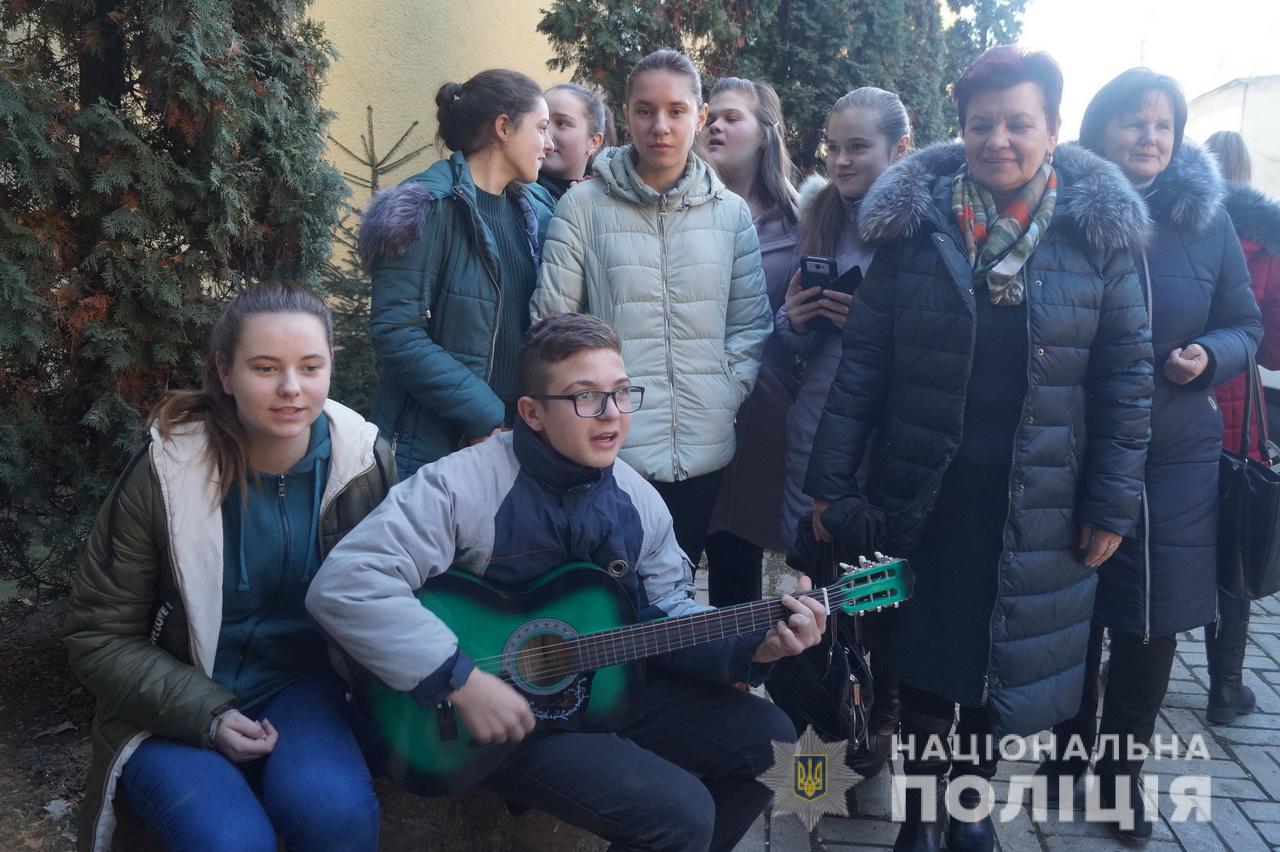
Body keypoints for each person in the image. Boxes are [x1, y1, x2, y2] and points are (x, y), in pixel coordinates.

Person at [804, 46, 1155, 852]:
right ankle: (924, 816)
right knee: (924, 657)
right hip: (927, 494)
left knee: (1004, 668)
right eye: (980, 124)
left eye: (1018, 122)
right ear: (958, 130)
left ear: (1053, 128)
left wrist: (1109, 503)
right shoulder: (913, 229)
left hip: (1040, 501)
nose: (998, 139)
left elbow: (1127, 381)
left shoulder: (1098, 238)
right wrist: (827, 485)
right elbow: (864, 365)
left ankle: (969, 808)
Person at [306, 313, 826, 852]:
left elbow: (669, 610)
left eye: (622, 394)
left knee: (773, 743)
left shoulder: (638, 500)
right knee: (681, 814)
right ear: (531, 412)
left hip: (599, 689)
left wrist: (754, 645)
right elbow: (345, 584)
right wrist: (459, 678)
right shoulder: (461, 486)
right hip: (481, 719)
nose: (611, 415)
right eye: (584, 397)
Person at [64, 285, 395, 852]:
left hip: (303, 689)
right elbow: (97, 635)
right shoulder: (166, 472)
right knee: (231, 842)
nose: (291, 389)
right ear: (225, 371)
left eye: (310, 367)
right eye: (265, 368)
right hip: (172, 700)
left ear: (331, 366)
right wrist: (208, 715)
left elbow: (398, 592)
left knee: (335, 816)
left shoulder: (364, 462)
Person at [1042, 69, 1262, 841]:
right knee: (1073, 614)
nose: (1150, 136)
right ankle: (1066, 754)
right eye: (1134, 122)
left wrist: (1210, 352)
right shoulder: (1056, 212)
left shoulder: (1208, 223)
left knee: (1152, 622)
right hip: (1070, 447)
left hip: (1175, 463)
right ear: (1099, 130)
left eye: (1164, 125)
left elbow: (1246, 323)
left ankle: (1121, 775)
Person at [531, 49, 772, 572]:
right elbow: (551, 325)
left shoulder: (730, 215)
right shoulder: (583, 206)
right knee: (612, 602)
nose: (660, 126)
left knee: (677, 598)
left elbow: (751, 324)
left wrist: (724, 389)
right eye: (645, 110)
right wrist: (590, 407)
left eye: (676, 110)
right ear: (627, 113)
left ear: (700, 116)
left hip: (706, 447)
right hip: (611, 448)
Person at [774, 85, 912, 777]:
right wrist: (793, 322)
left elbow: (938, 353)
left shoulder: (924, 227)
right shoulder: (820, 215)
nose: (842, 159)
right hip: (815, 428)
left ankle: (871, 732)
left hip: (883, 443)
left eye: (859, 145)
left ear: (900, 150)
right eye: (833, 146)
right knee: (808, 589)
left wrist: (875, 335)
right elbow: (789, 347)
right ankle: (815, 733)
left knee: (873, 595)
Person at [361, 69, 556, 476]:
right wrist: (484, 416)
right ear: (503, 127)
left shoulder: (536, 211)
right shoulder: (425, 206)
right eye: (540, 128)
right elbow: (396, 332)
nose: (549, 144)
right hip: (433, 445)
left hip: (518, 438)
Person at [699, 76, 800, 605]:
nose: (715, 124)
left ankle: (732, 677)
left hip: (757, 422)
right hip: (683, 414)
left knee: (735, 567)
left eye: (731, 117)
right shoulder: (674, 210)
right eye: (710, 115)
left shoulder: (803, 224)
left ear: (765, 133)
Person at [1202, 129, 1280, 725]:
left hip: (1169, 402)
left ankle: (1119, 658)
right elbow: (1273, 351)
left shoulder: (1183, 222)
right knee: (1231, 543)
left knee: (1152, 536)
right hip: (1237, 417)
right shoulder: (1269, 245)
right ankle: (1226, 687)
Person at [538, 83, 611, 201]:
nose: (545, 132)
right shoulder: (510, 191)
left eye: (562, 123)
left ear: (594, 142)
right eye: (542, 122)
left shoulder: (605, 202)